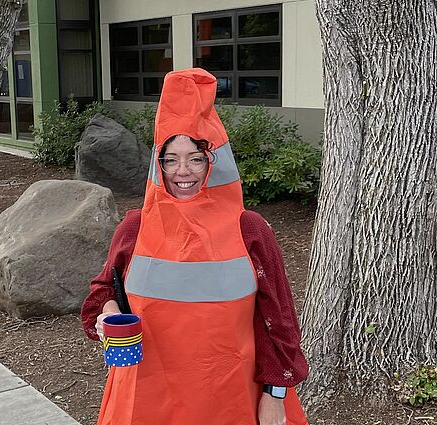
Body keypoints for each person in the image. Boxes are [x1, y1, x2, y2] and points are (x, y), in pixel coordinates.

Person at [81, 68, 309, 425]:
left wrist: (274, 396)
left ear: (213, 164)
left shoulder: (248, 229)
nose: (182, 171)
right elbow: (102, 291)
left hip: (231, 397)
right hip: (146, 397)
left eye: (195, 158)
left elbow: (278, 320)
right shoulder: (135, 226)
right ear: (158, 164)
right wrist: (108, 310)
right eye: (170, 159)